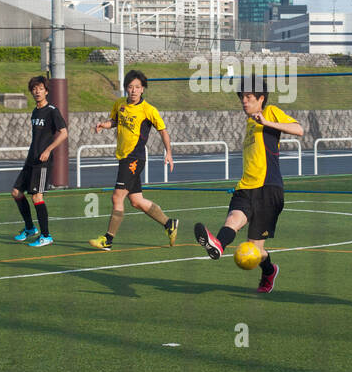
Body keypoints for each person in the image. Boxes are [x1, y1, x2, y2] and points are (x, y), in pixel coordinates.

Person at [194, 78, 303, 293]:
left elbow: (299, 129)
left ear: (261, 98)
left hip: (268, 188)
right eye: (242, 98)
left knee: (255, 250)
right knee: (233, 219)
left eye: (249, 98)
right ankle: (218, 246)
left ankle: (269, 270)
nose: (244, 102)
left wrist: (267, 123)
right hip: (245, 187)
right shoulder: (249, 122)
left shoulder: (270, 111)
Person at [89, 69, 178, 250]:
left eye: (137, 87)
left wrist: (168, 152)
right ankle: (169, 223)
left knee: (117, 196)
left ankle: (108, 240)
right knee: (136, 200)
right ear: (126, 89)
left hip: (134, 158)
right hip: (123, 157)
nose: (134, 90)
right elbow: (115, 121)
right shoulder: (120, 104)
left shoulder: (148, 110)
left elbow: (163, 131)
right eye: (130, 87)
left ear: (143, 89)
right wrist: (104, 125)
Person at [11, 75, 68, 247]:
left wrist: (48, 150)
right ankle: (29, 228)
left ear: (47, 91)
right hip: (31, 159)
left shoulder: (52, 110)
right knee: (16, 192)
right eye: (34, 89)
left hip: (43, 162)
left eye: (40, 88)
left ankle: (46, 235)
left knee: (37, 196)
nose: (37, 91)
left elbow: (64, 133)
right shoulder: (35, 111)